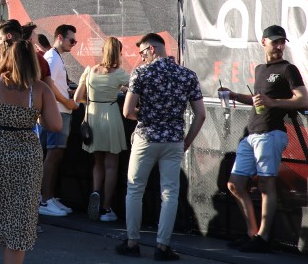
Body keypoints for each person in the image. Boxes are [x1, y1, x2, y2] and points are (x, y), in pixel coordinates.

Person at [0, 35, 62, 264]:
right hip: (25, 158)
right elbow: (55, 125)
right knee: (18, 221)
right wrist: (36, 116)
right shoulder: (40, 89)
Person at [219, 25, 308, 253]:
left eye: (282, 42)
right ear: (263, 42)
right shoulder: (260, 69)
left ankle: (263, 237)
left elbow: (303, 99)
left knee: (266, 184)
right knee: (235, 184)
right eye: (275, 41)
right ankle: (253, 233)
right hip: (252, 134)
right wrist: (234, 95)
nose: (279, 46)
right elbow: (259, 99)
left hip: (271, 132)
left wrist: (274, 103)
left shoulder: (288, 69)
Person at [118, 33, 205, 260]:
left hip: (146, 137)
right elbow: (201, 115)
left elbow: (127, 111)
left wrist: (147, 116)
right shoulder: (187, 75)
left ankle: (132, 242)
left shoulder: (141, 73)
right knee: (170, 193)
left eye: (142, 52)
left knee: (135, 189)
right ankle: (163, 246)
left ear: (152, 49)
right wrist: (187, 141)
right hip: (174, 140)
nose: (141, 57)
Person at [73, 36, 130, 222]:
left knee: (98, 163)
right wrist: (120, 90)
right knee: (111, 165)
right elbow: (136, 89)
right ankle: (106, 208)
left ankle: (96, 192)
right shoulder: (119, 73)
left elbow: (77, 98)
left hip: (93, 118)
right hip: (111, 118)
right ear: (119, 53)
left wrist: (93, 101)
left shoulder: (90, 71)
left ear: (103, 51)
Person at [39, 24, 80, 217]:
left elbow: (53, 85)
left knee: (55, 155)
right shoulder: (52, 58)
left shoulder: (55, 57)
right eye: (72, 40)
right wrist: (66, 101)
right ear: (60, 37)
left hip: (60, 111)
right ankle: (45, 199)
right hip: (57, 112)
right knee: (53, 155)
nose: (73, 43)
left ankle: (48, 197)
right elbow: (48, 86)